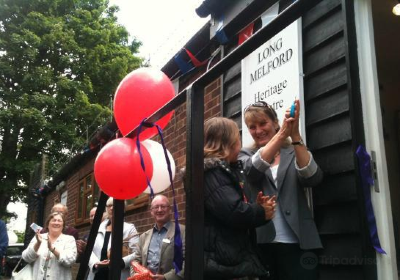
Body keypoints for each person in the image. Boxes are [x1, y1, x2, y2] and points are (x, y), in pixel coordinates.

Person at [238, 100, 324, 280]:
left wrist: (295, 136)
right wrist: (283, 133)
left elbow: (312, 177)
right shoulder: (245, 155)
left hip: (300, 242)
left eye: (263, 123)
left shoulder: (294, 151)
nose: (258, 130)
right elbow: (252, 171)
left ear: (275, 123)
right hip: (263, 243)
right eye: (252, 127)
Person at [203, 117, 276, 280]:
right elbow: (234, 212)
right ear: (228, 143)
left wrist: (256, 208)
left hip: (227, 259)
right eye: (238, 138)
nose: (240, 143)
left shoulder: (221, 170)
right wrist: (261, 211)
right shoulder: (212, 173)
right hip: (223, 263)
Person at [131, 194, 185, 280]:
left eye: (163, 206)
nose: (159, 210)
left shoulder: (182, 231)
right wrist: (136, 276)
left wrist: (166, 278)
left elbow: (187, 261)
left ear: (170, 209)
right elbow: (136, 261)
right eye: (156, 207)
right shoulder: (143, 237)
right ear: (151, 211)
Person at [87, 197, 139, 280]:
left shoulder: (129, 228)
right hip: (98, 275)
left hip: (119, 274)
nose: (112, 208)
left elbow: (137, 253)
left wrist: (120, 262)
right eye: (109, 205)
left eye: (115, 205)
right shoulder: (98, 228)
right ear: (106, 209)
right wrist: (95, 263)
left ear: (123, 208)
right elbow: (89, 250)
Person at [22, 212, 77, 280]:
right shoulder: (39, 237)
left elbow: (70, 260)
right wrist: (38, 243)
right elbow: (26, 257)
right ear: (48, 224)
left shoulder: (69, 239)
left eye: (59, 221)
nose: (56, 223)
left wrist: (52, 249)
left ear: (63, 225)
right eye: (53, 220)